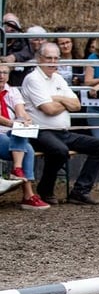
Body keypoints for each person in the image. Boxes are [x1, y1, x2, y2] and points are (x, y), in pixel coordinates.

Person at [21, 42, 99, 206]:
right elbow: (48, 109)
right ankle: (45, 190)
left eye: (56, 58)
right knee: (59, 151)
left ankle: (80, 191)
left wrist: (58, 98)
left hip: (63, 132)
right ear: (39, 59)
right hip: (40, 131)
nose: (53, 62)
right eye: (49, 58)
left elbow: (77, 105)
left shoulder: (58, 78)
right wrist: (63, 102)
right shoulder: (33, 79)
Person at [0, 64, 50, 209]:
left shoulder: (13, 91)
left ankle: (17, 170)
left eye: (4, 72)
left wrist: (25, 121)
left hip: (12, 133)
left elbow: (20, 111)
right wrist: (14, 124)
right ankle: (28, 195)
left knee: (23, 131)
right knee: (28, 148)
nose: (1, 75)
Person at [1, 14, 35, 86]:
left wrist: (14, 57)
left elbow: (29, 51)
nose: (12, 28)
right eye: (8, 25)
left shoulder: (22, 39)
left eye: (14, 25)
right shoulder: (1, 40)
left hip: (19, 79)